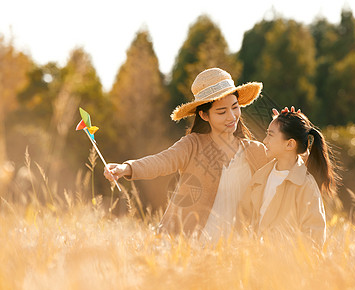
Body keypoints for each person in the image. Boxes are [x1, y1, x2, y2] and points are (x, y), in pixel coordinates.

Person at [104, 68, 268, 240]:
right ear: (205, 115)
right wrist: (127, 168)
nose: (232, 116)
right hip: (193, 242)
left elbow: (291, 164)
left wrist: (291, 126)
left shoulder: (255, 151)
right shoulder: (192, 145)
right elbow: (162, 161)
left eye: (235, 107)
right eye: (221, 112)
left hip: (237, 247)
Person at [238, 109, 337, 248]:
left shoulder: (305, 186)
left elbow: (314, 238)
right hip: (255, 262)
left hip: (285, 266)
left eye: (270, 135)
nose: (265, 141)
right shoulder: (260, 177)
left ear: (290, 144)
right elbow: (243, 218)